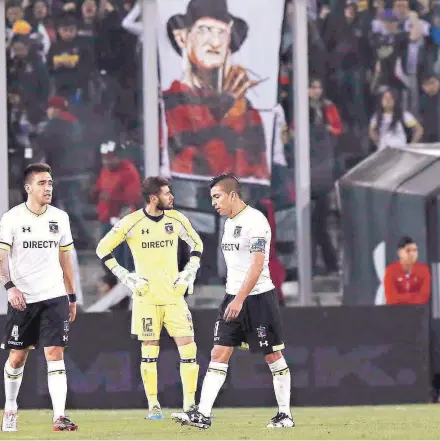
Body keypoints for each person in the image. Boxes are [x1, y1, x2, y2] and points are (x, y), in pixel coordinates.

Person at [177, 173, 293, 429]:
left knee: (273, 355)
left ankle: (285, 415)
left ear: (232, 195)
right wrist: (234, 296)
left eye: (217, 197)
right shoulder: (228, 223)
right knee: (218, 353)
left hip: (258, 298)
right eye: (211, 198)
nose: (214, 203)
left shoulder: (256, 221)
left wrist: (240, 299)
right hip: (233, 297)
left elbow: (258, 264)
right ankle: (203, 414)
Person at [95, 176, 203, 420]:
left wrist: (190, 270)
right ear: (154, 198)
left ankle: (190, 405)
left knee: (189, 348)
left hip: (174, 296)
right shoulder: (132, 222)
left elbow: (197, 244)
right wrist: (125, 275)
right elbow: (103, 248)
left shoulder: (177, 219)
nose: (171, 197)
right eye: (167, 193)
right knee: (149, 350)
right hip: (146, 298)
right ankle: (154, 405)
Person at [0, 163, 78, 432]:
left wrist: (71, 295)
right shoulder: (12, 218)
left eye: (50, 183)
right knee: (17, 358)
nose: (48, 187)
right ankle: (11, 407)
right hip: (23, 300)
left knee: (55, 353)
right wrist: (10, 287)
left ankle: (59, 416)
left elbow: (65, 258)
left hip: (54, 296)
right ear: (28, 188)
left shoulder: (60, 217)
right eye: (42, 183)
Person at [162, 0, 269, 180]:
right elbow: (193, 171)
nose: (215, 42)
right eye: (204, 30)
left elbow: (257, 175)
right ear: (182, 37)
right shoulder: (170, 102)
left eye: (222, 32)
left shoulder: (246, 110)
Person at [384, 236, 431, 305]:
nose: (412, 254)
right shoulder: (391, 270)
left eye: (415, 250)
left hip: (418, 313)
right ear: (400, 253)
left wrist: (401, 298)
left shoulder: (424, 270)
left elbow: (424, 298)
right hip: (396, 313)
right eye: (408, 251)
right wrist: (414, 296)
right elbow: (391, 299)